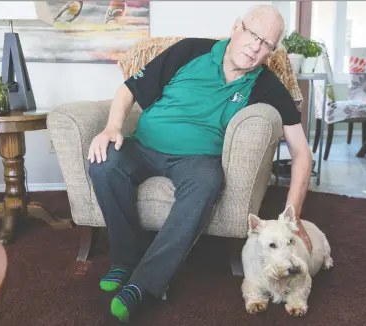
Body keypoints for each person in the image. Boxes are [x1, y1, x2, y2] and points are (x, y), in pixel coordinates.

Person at [87, 4, 313, 322]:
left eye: (267, 44)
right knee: (103, 162)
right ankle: (124, 260)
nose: (255, 47)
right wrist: (112, 127)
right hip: (144, 147)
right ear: (237, 28)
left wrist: (294, 219)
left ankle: (145, 283)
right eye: (253, 35)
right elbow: (128, 90)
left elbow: (302, 152)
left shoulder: (266, 85)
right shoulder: (190, 50)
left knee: (208, 181)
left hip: (196, 161)